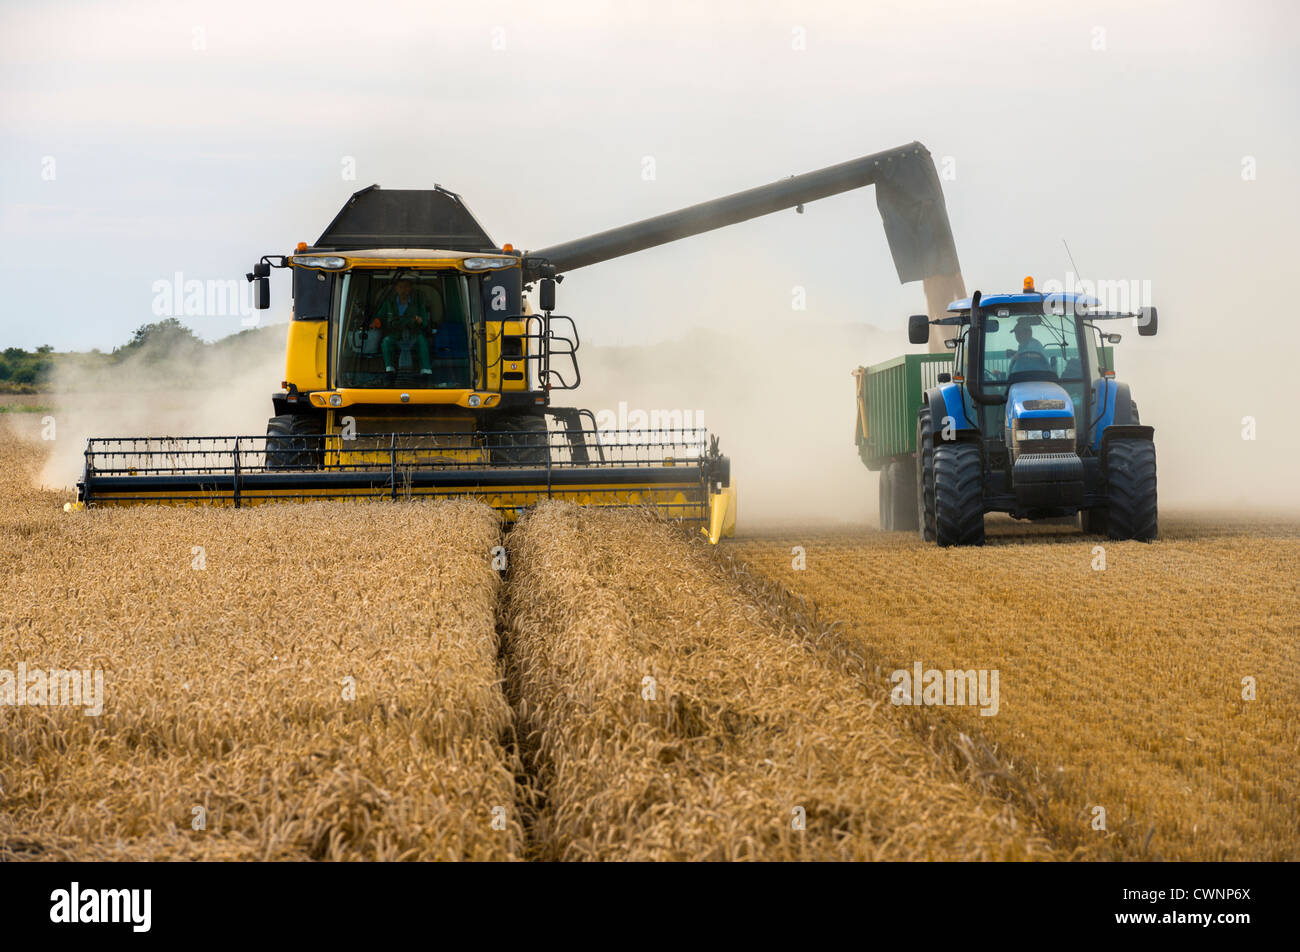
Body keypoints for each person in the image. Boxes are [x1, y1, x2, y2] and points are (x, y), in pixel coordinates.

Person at [373, 279, 432, 374]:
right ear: (396, 288)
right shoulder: (388, 303)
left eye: (406, 286)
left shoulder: (418, 303)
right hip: (395, 334)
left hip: (414, 334)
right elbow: (379, 318)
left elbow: (424, 322)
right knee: (386, 342)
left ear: (410, 288)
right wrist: (374, 323)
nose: (403, 289)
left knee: (422, 341)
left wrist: (420, 320)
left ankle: (426, 370)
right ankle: (389, 369)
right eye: (400, 287)